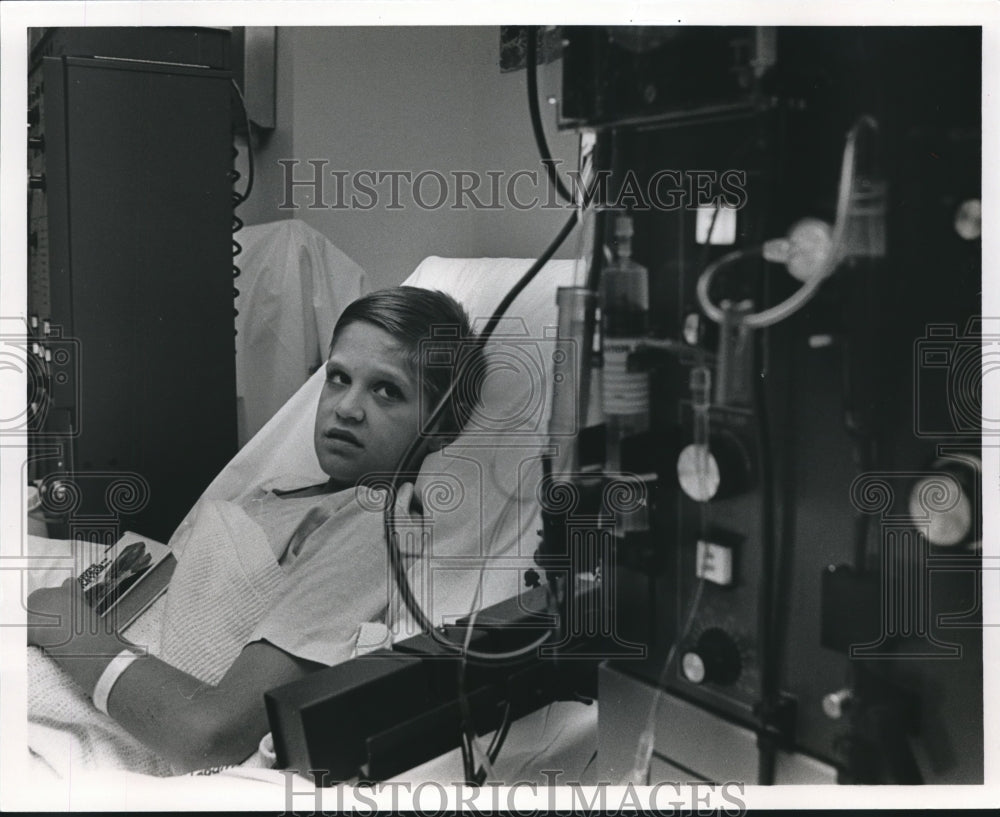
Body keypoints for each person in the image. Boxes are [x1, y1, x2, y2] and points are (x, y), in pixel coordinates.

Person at [26, 286, 483, 774]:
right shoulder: (280, 492)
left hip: (103, 734)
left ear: (440, 427)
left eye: (387, 390)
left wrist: (68, 625)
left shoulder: (373, 522)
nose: (346, 408)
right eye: (338, 378)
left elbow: (209, 736)